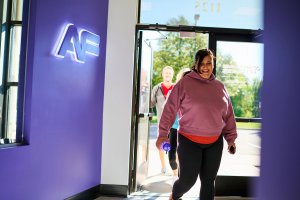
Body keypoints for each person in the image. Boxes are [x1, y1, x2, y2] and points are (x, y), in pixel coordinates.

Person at [156, 49, 237, 200]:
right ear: (196, 64)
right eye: (202, 63)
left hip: (214, 142)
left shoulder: (220, 87)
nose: (205, 67)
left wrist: (231, 139)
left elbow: (228, 115)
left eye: (209, 63)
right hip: (189, 140)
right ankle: (175, 195)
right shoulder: (184, 84)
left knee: (208, 182)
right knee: (188, 181)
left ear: (213, 65)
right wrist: (162, 135)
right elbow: (169, 110)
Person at [167, 68, 191, 182]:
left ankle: (180, 179)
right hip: (173, 127)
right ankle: (175, 173)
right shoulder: (173, 91)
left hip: (186, 129)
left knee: (183, 155)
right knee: (172, 156)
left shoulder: (194, 92)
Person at [150, 66, 175, 174]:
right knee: (161, 144)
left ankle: (175, 168)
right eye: (166, 73)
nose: (168, 75)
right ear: (162, 74)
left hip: (174, 123)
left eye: (169, 73)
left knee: (175, 146)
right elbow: (151, 104)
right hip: (161, 122)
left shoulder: (176, 88)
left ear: (172, 75)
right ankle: (163, 167)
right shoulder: (156, 88)